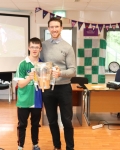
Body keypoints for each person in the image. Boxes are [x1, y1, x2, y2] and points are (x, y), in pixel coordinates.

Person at [40, 17, 76, 150]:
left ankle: (70, 147)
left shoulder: (67, 47)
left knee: (67, 121)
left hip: (64, 88)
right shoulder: (43, 45)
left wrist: (61, 73)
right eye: (51, 27)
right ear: (48, 29)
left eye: (57, 27)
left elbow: (73, 70)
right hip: (48, 89)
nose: (54, 29)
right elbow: (38, 63)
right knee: (52, 121)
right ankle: (57, 146)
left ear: (61, 28)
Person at [14, 37, 43, 150]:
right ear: (28, 48)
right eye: (32, 47)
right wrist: (30, 78)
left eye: (37, 47)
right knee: (22, 125)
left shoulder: (43, 64)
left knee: (35, 125)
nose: (34, 49)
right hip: (24, 100)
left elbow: (45, 83)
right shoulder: (22, 64)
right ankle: (20, 146)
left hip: (37, 100)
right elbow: (20, 84)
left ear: (40, 48)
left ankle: (35, 144)